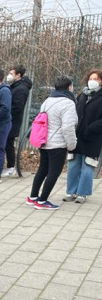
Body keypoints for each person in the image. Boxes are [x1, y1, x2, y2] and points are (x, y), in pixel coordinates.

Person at [26, 77, 77, 210]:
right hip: (57, 144)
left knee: (42, 169)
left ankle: (33, 197)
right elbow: (68, 127)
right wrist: (72, 144)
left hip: (43, 142)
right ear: (69, 87)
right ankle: (42, 201)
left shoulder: (47, 100)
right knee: (54, 172)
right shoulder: (68, 103)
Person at [64, 69, 102, 204]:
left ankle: (82, 193)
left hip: (92, 138)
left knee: (87, 166)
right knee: (73, 164)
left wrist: (91, 129)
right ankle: (71, 191)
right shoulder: (82, 95)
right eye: (91, 78)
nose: (93, 81)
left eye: (96, 79)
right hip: (77, 137)